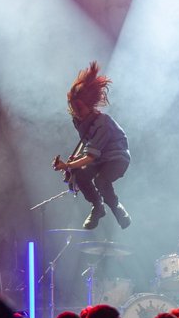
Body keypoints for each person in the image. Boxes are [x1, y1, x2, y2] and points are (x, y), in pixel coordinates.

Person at [53, 62, 131, 230]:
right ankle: (97, 206)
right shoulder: (79, 121)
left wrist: (68, 165)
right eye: (73, 107)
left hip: (117, 158)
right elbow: (88, 144)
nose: (76, 112)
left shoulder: (103, 123)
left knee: (101, 180)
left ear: (89, 105)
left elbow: (90, 155)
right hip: (99, 158)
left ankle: (116, 208)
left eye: (79, 108)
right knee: (80, 175)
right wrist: (74, 165)